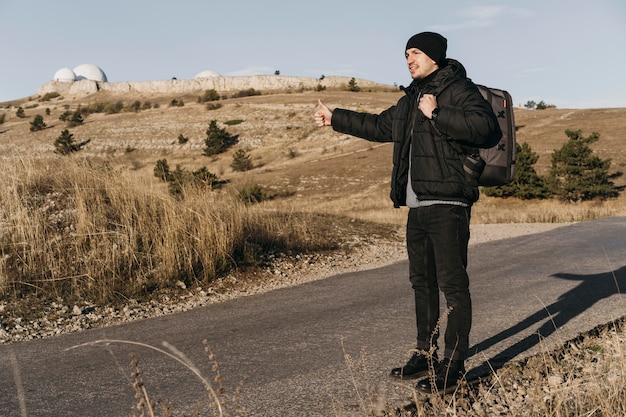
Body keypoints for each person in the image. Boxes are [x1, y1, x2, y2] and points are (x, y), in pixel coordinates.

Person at [314, 32, 502, 393]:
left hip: (448, 203)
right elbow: (379, 126)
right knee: (422, 284)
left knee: (453, 286)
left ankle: (454, 364)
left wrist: (437, 113)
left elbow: (485, 129)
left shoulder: (459, 90)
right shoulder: (411, 99)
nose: (409, 59)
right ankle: (426, 354)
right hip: (417, 207)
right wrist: (335, 116)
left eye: (414, 53)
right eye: (406, 54)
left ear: (433, 56)